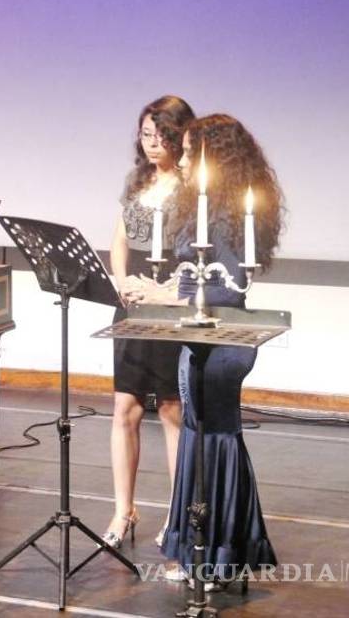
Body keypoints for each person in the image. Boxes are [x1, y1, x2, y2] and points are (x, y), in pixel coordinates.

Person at [136, 114, 285, 582]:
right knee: (200, 438)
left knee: (213, 442)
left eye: (186, 152)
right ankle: (201, 548)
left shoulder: (226, 217)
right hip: (200, 343)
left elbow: (225, 290)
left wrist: (166, 298)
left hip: (221, 345)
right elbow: (194, 281)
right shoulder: (206, 210)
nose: (179, 161)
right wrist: (163, 290)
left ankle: (215, 552)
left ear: (211, 159)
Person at [102, 95, 193, 549]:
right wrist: (121, 282)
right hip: (132, 303)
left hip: (172, 303)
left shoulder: (192, 187)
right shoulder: (136, 181)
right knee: (126, 407)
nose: (152, 143)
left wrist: (165, 293)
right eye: (145, 135)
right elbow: (119, 239)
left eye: (161, 135)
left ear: (179, 136)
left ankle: (178, 515)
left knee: (173, 409)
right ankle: (124, 510)